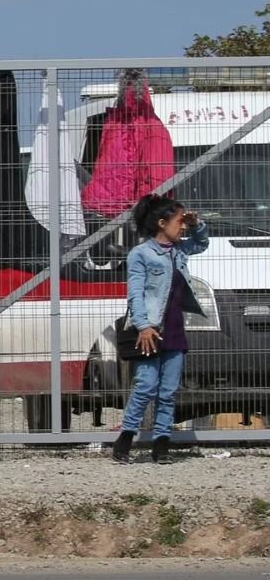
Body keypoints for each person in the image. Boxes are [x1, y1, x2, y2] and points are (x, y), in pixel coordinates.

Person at [112, 195, 209, 465]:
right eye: (179, 222)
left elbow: (201, 244)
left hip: (175, 331)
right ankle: (125, 439)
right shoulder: (141, 254)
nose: (183, 227)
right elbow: (135, 294)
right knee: (145, 386)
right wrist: (143, 326)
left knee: (168, 391)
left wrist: (197, 223)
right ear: (161, 222)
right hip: (151, 330)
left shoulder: (178, 250)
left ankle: (161, 445)